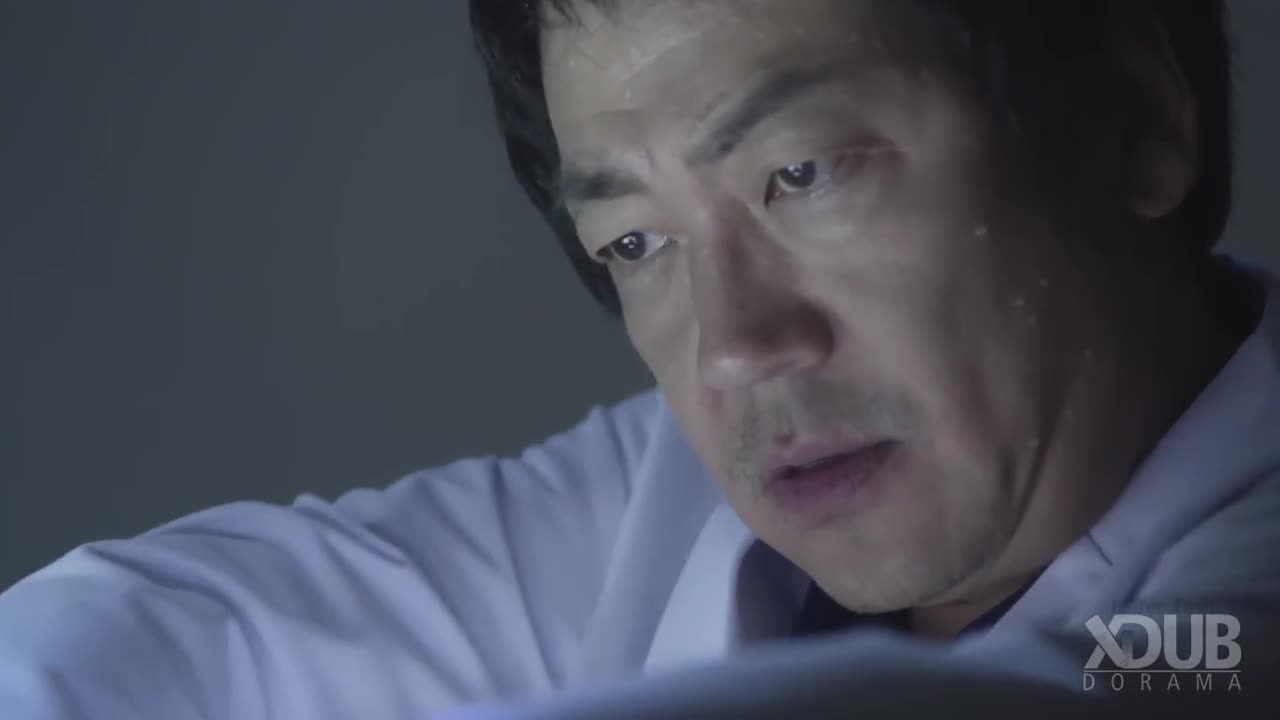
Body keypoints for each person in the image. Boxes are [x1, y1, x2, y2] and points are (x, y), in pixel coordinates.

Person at [2, 0, 1278, 717]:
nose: (732, 349)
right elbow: (171, 630)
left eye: (801, 173)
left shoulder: (1233, 625)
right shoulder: (654, 495)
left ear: (1129, 121)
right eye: (635, 242)